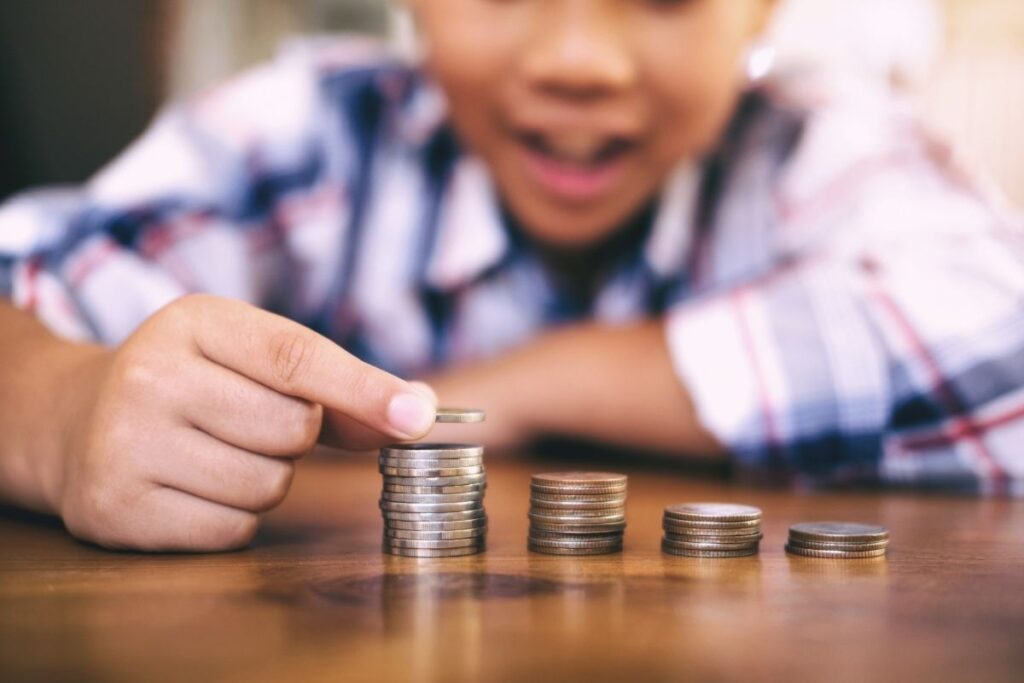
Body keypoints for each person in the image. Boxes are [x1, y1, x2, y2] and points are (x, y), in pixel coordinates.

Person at [1, 0, 1021, 552]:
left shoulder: (820, 147)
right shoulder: (302, 129)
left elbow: (999, 332)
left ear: (762, 11)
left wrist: (535, 383)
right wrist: (58, 410)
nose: (579, 58)